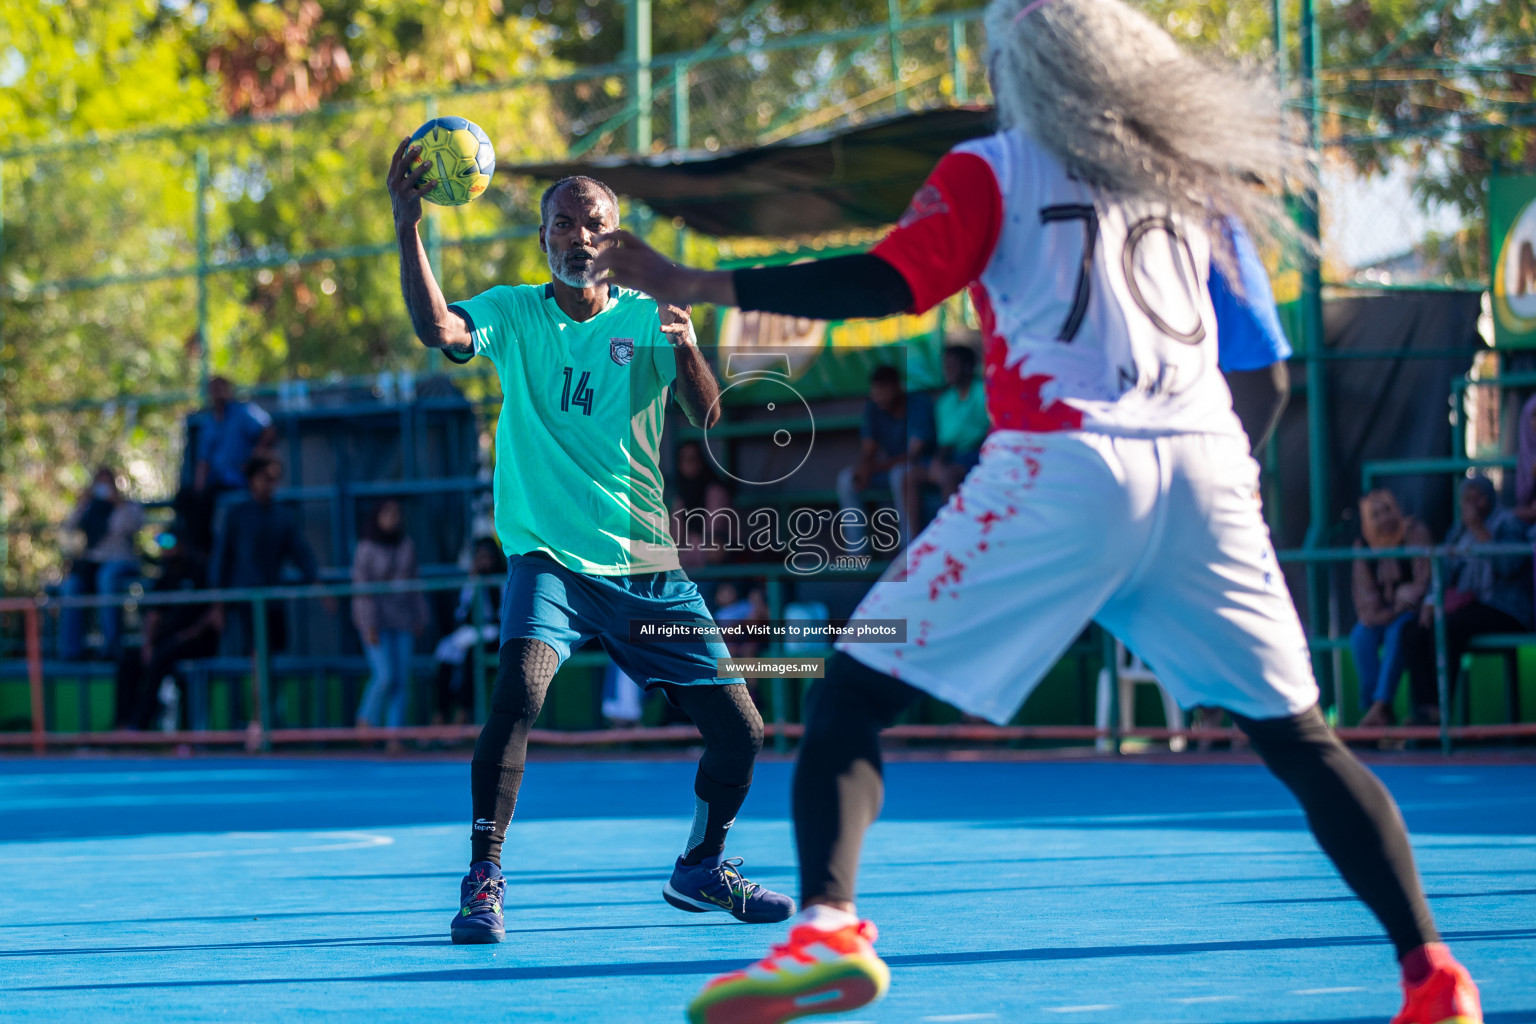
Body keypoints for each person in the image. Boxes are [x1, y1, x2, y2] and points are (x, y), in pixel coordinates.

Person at [596, 0, 1482, 1019]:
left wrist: (700, 274)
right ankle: (1434, 973)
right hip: (1208, 469)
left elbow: (894, 282)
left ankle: (826, 927)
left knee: (851, 686)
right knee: (1303, 737)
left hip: (1068, 458)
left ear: (1023, 69)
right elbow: (1267, 381)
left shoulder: (995, 167)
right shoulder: (1191, 182)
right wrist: (1218, 494)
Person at [387, 152, 794, 944]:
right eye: (564, 224)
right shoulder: (514, 312)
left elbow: (713, 423)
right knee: (520, 692)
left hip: (646, 566)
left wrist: (688, 349)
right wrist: (410, 228)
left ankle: (701, 867)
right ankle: (483, 877)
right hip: (551, 559)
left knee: (743, 733)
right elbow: (439, 328)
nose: (579, 236)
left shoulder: (649, 317)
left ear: (615, 240)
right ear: (543, 237)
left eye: (595, 225)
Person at [207, 456, 326, 711]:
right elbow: (222, 558)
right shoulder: (237, 515)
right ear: (252, 479)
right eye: (265, 478)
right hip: (247, 602)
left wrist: (317, 582)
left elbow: (299, 551)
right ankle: (259, 721)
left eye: (274, 479)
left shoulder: (281, 516)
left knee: (273, 658)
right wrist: (218, 602)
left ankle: (271, 717)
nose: (270, 484)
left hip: (273, 601)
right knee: (257, 658)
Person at [1415, 476, 1534, 723]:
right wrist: (1430, 602)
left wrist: (1480, 530)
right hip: (1469, 606)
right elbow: (1445, 573)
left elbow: (1510, 566)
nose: (1472, 504)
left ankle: (1440, 708)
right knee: (1415, 630)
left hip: (1506, 608)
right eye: (1466, 499)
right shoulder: (1459, 531)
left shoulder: (1508, 524)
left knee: (1450, 626)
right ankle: (1426, 710)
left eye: (1477, 497)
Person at [113, 530, 220, 730]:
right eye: (162, 545)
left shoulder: (200, 573)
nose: (166, 550)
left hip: (195, 642)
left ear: (183, 545)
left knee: (161, 658)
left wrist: (192, 632)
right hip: (166, 641)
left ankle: (140, 724)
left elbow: (214, 612)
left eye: (171, 543)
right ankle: (123, 724)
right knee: (129, 661)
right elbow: (153, 616)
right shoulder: (164, 577)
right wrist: (148, 645)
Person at [1350, 490, 1433, 727]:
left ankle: (1380, 706)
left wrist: (1401, 604)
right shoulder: (1363, 545)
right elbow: (1365, 592)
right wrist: (1381, 613)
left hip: (1410, 611)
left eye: (1387, 509)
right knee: (1360, 636)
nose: (1384, 517)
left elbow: (1423, 580)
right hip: (1381, 615)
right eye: (1375, 514)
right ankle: (1375, 710)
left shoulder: (1414, 532)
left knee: (1398, 633)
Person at [835, 364, 935, 552]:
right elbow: (869, 449)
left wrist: (874, 468)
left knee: (900, 474)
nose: (880, 397)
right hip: (887, 470)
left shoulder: (918, 405)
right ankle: (857, 551)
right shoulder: (874, 407)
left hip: (921, 470)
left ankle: (909, 547)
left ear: (897, 387)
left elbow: (914, 455)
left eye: (884, 391)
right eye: (876, 392)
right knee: (846, 479)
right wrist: (864, 468)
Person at [352, 499, 430, 735]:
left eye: (397, 514)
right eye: (387, 514)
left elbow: (414, 583)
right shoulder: (365, 548)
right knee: (384, 676)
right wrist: (369, 625)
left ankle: (394, 735)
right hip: (377, 624)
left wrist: (420, 617)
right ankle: (366, 721)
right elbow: (361, 590)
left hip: (403, 621)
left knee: (401, 680)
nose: (393, 519)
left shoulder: (406, 545)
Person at [183, 376, 277, 554]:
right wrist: (198, 486)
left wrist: (254, 458)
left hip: (238, 480)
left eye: (220, 388)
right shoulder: (210, 422)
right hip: (215, 481)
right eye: (213, 389)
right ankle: (196, 550)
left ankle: (208, 547)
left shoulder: (244, 412)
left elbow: (269, 430)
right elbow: (204, 460)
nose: (217, 394)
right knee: (187, 498)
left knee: (209, 501)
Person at [59, 467, 145, 660]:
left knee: (106, 578)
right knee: (71, 585)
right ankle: (71, 651)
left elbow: (133, 525)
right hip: (92, 563)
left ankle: (111, 646)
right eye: (99, 483)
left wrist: (118, 503)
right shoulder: (89, 507)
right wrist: (83, 502)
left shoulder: (127, 506)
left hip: (121, 560)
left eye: (107, 483)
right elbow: (69, 527)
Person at [432, 538, 506, 726]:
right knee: (445, 654)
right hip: (471, 633)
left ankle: (463, 714)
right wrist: (473, 582)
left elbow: (502, 616)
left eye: (487, 558)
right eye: (479, 558)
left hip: (495, 636)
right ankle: (440, 714)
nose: (483, 563)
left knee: (473, 657)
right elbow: (461, 613)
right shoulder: (471, 582)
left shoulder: (503, 581)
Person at [928, 345, 989, 499]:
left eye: (952, 365)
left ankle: (951, 522)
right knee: (910, 475)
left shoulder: (984, 392)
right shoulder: (944, 402)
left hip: (980, 454)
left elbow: (990, 432)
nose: (948, 370)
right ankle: (910, 524)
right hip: (955, 455)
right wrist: (938, 461)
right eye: (945, 366)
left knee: (950, 475)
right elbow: (945, 443)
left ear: (968, 366)